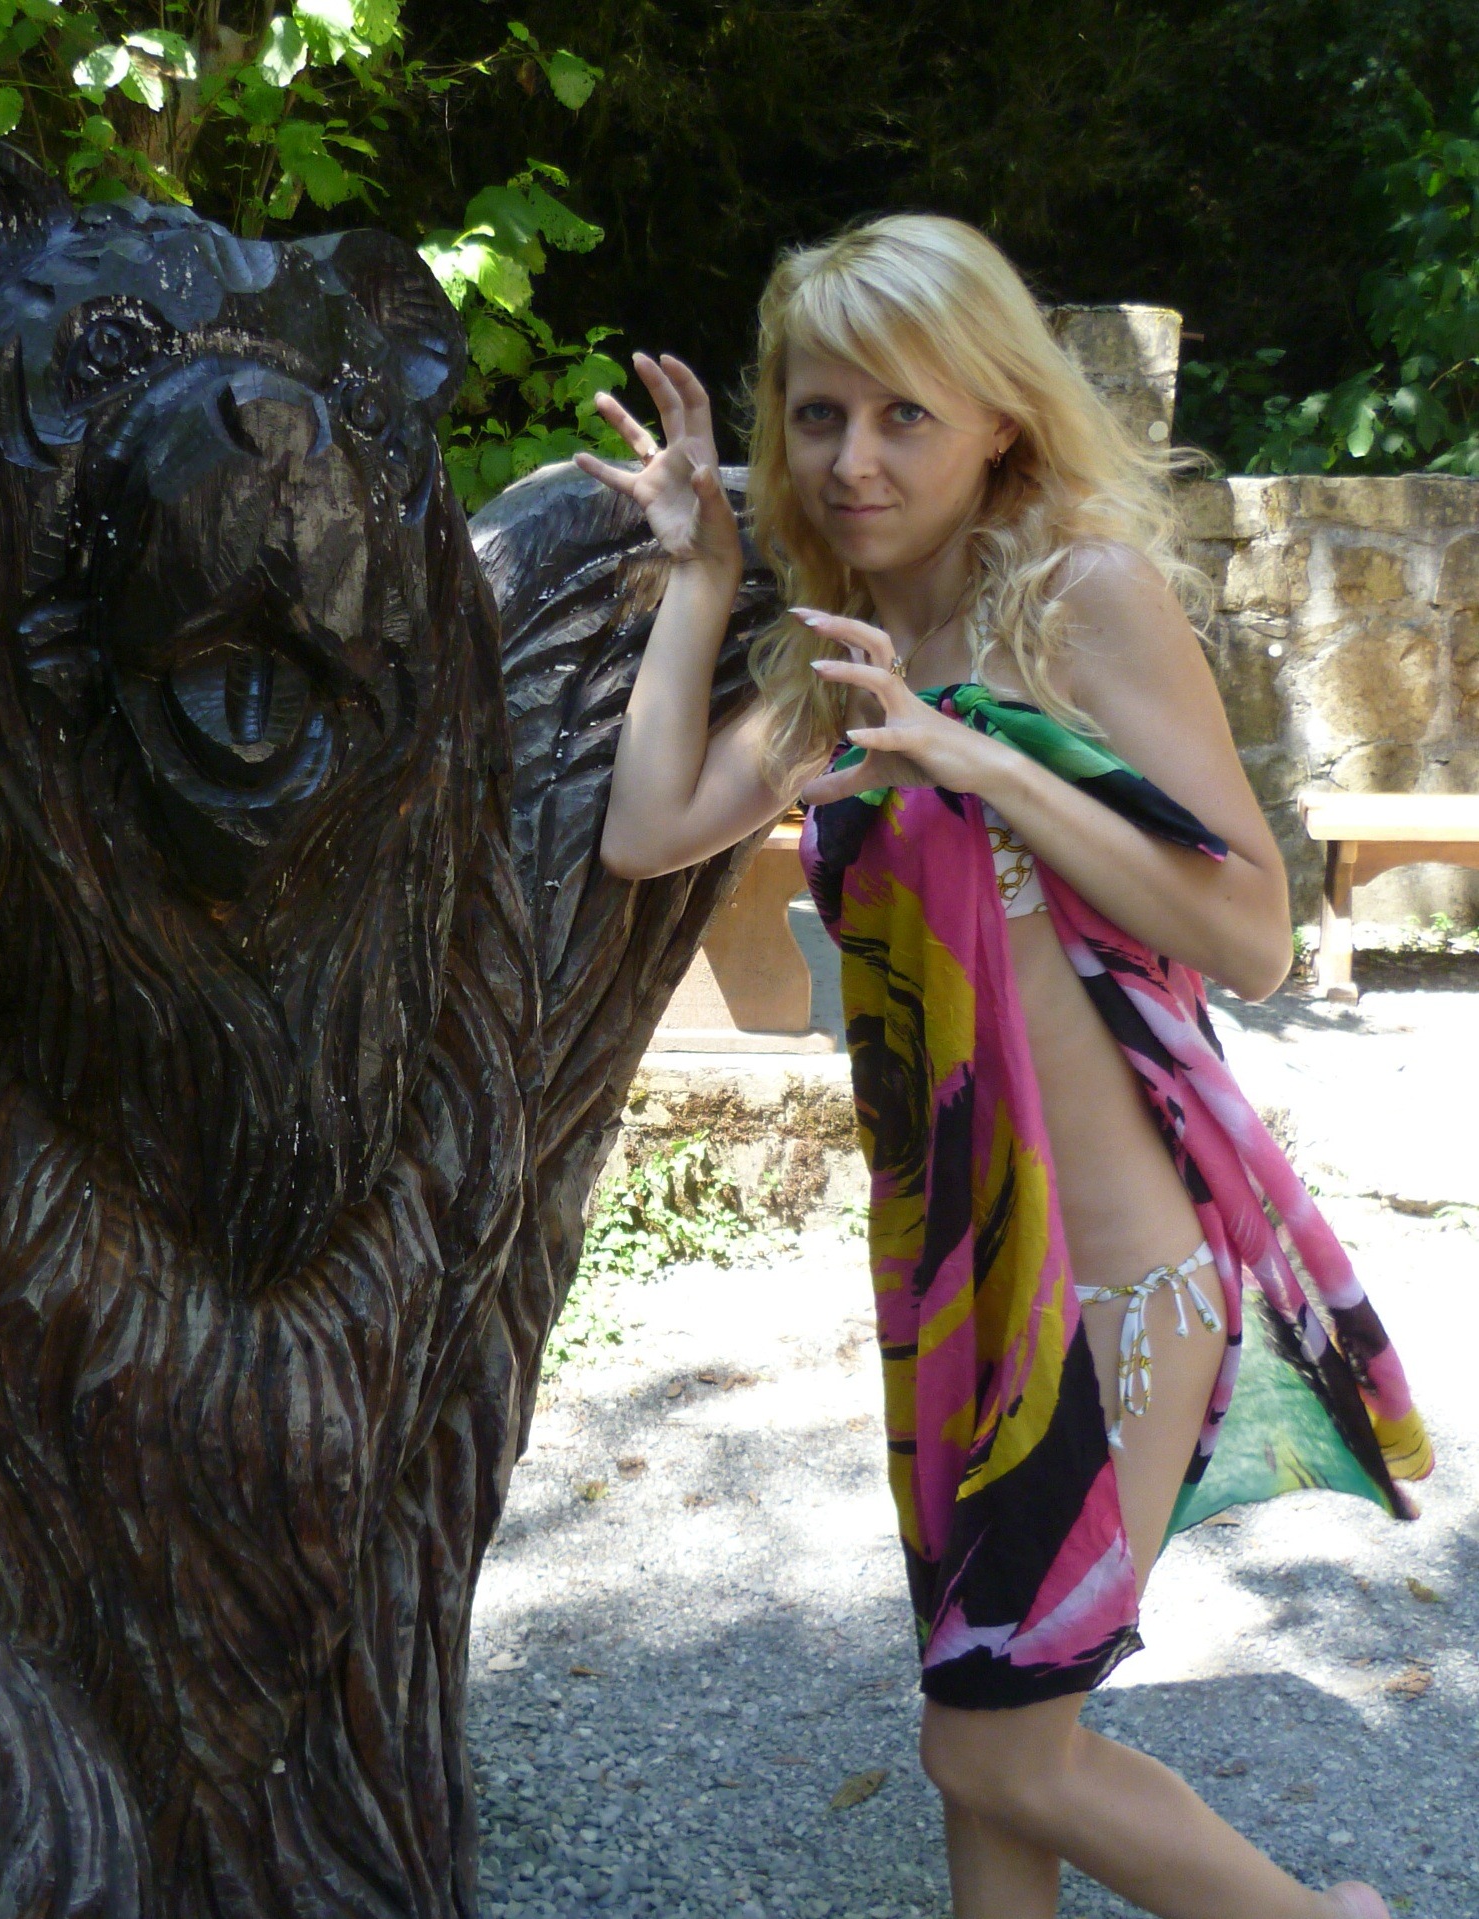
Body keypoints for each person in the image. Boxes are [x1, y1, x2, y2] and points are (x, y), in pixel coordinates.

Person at [578, 214, 1430, 1919]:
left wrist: (986, 763)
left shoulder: (1078, 603)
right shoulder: (836, 660)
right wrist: (702, 576)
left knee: (996, 1749)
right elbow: (647, 829)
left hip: (1116, 1296)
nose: (856, 459)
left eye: (905, 414)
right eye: (819, 417)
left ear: (997, 423)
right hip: (957, 1290)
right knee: (982, 1711)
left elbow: (1251, 931)